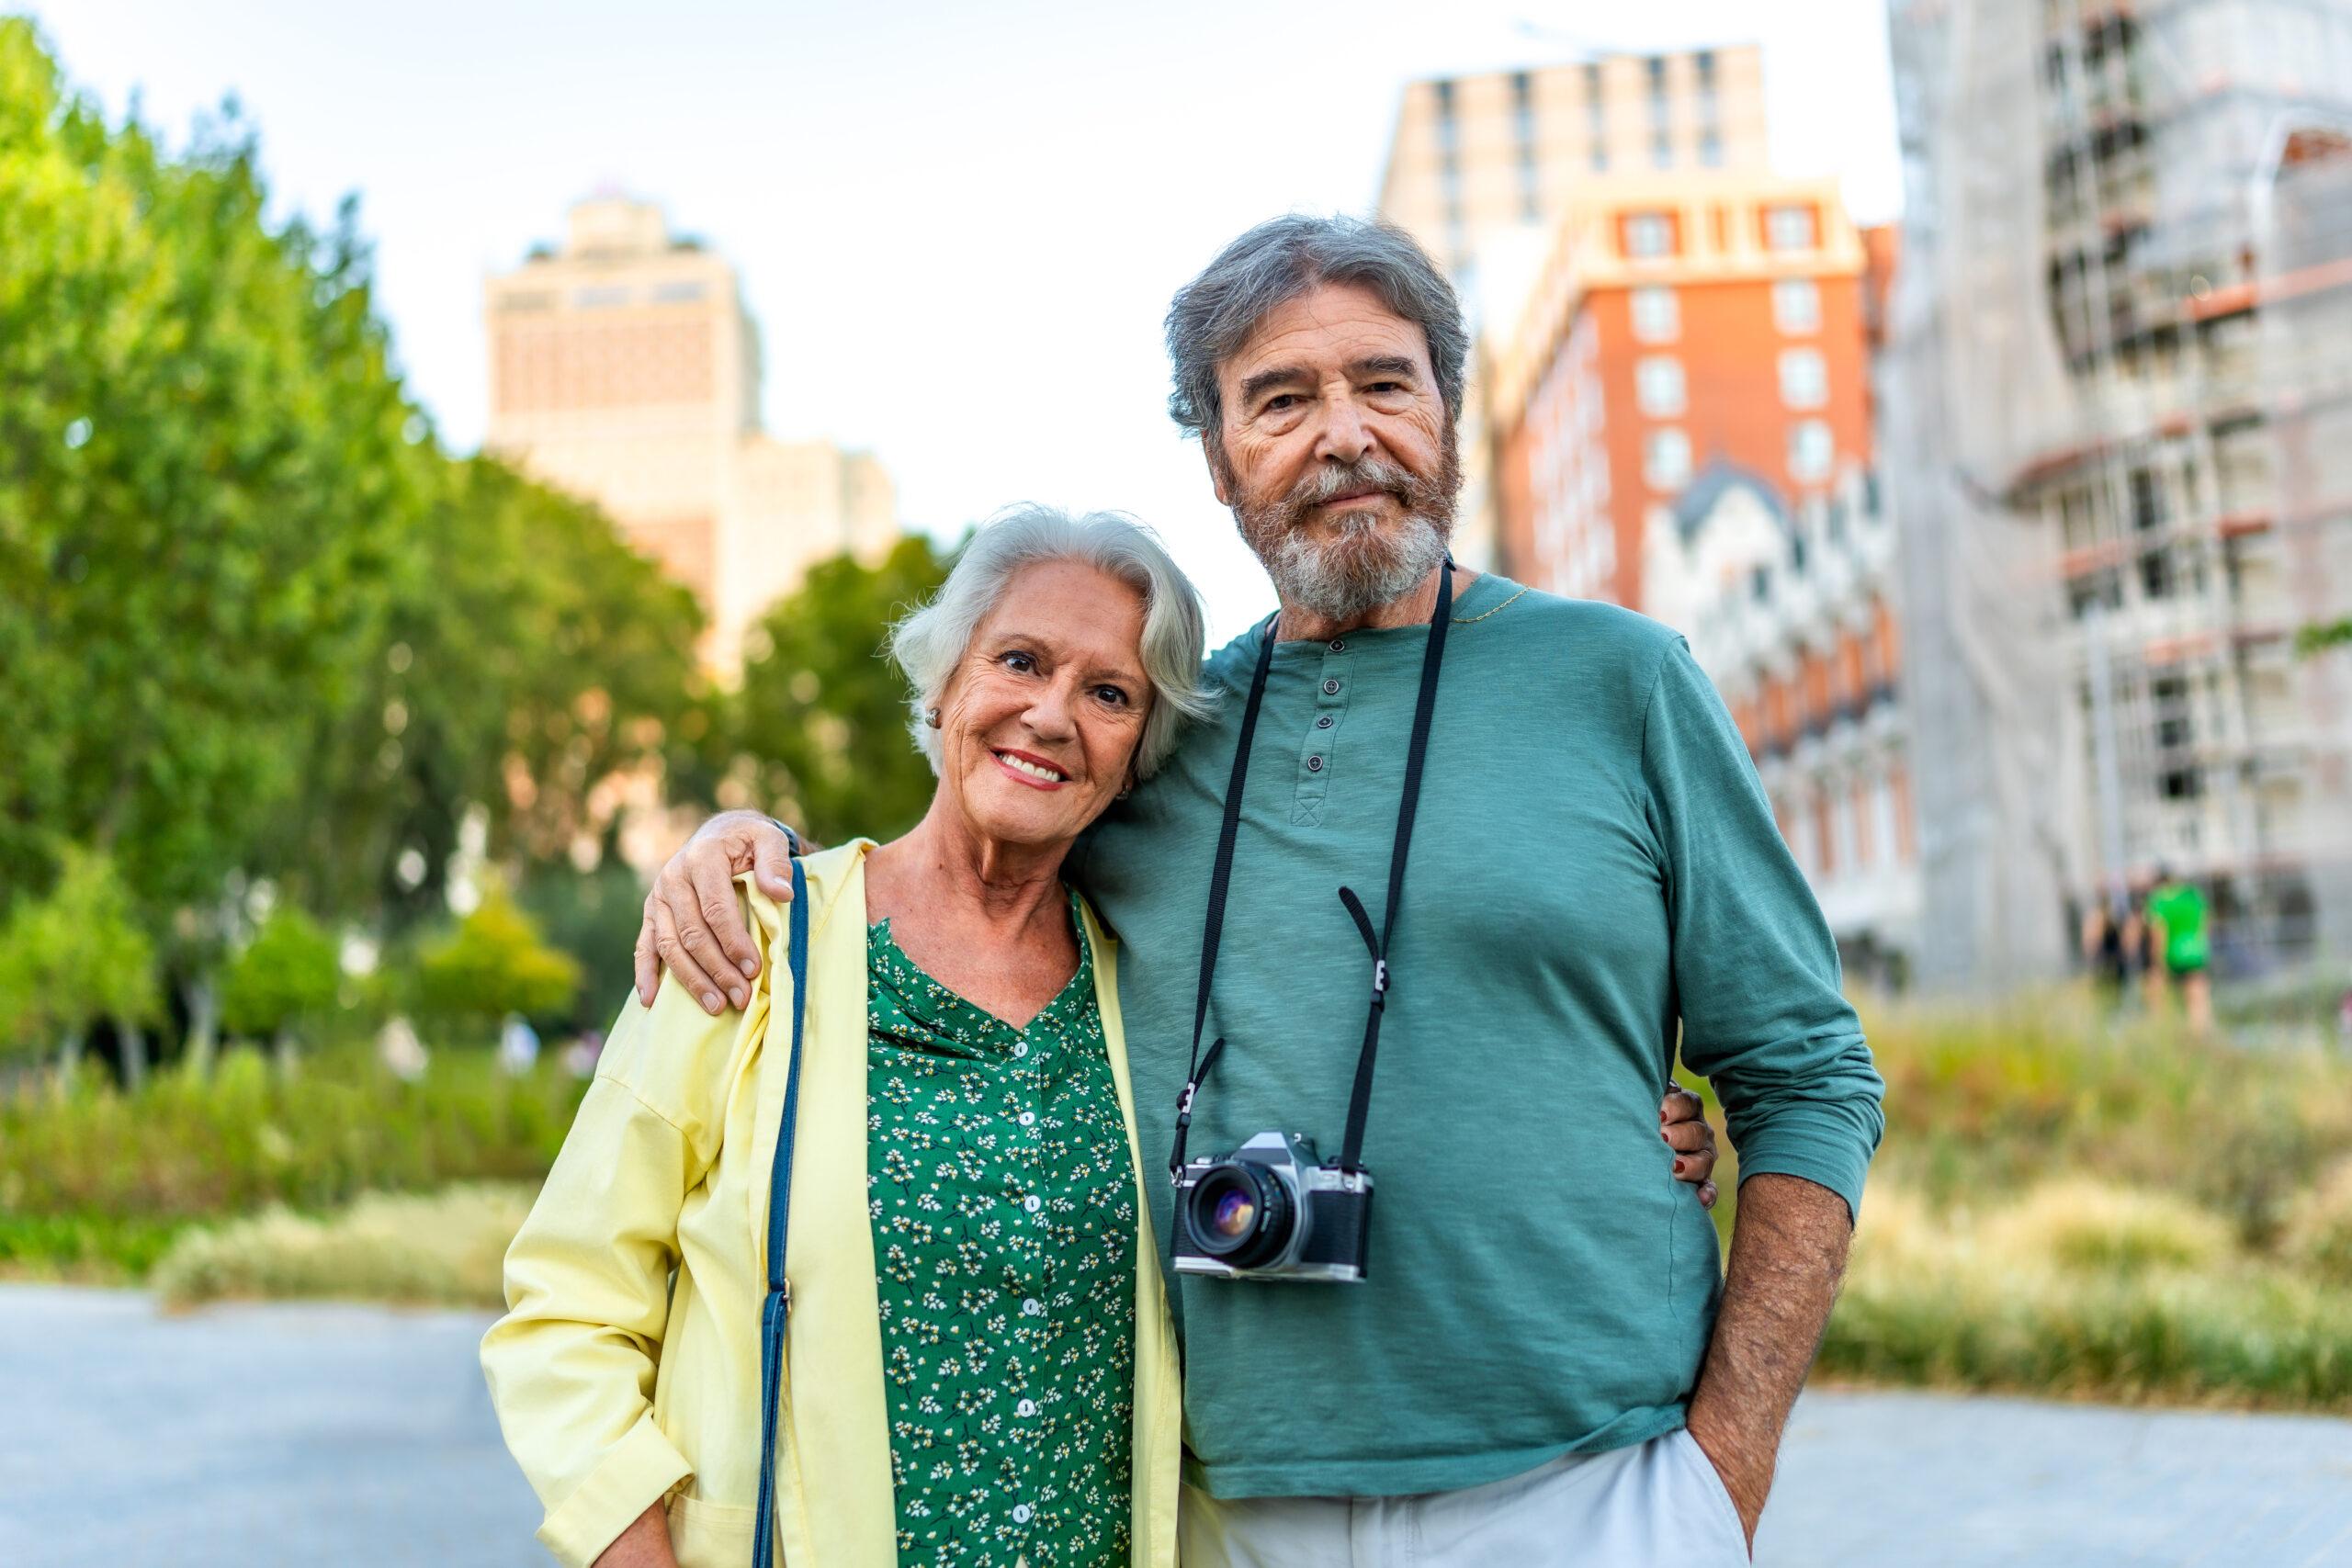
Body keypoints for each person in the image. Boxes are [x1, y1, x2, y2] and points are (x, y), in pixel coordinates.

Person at [640, 215, 1869, 1564]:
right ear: (1222, 464)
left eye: (1385, 383)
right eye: (1281, 400)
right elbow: (953, 869)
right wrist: (738, 836)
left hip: (1591, 1486)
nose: (1344, 433)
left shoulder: (1621, 680)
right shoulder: (1150, 733)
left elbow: (1808, 1068)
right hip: (1231, 1511)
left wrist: (1721, 1472)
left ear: (1450, 417)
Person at [482, 510, 1218, 1568]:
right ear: (943, 685)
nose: (1051, 715)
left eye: (1110, 694)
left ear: (1136, 753)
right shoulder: (747, 941)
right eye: (1018, 660)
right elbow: (566, 1306)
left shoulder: (1145, 990)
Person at [2146, 864, 2214, 1035]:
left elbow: (2159, 933)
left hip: (2171, 953)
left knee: (2157, 996)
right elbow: (2205, 925)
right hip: (2194, 951)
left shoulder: (2159, 901)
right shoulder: (2193, 897)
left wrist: (2156, 961)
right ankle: (2200, 1034)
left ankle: (2160, 1033)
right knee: (2197, 999)